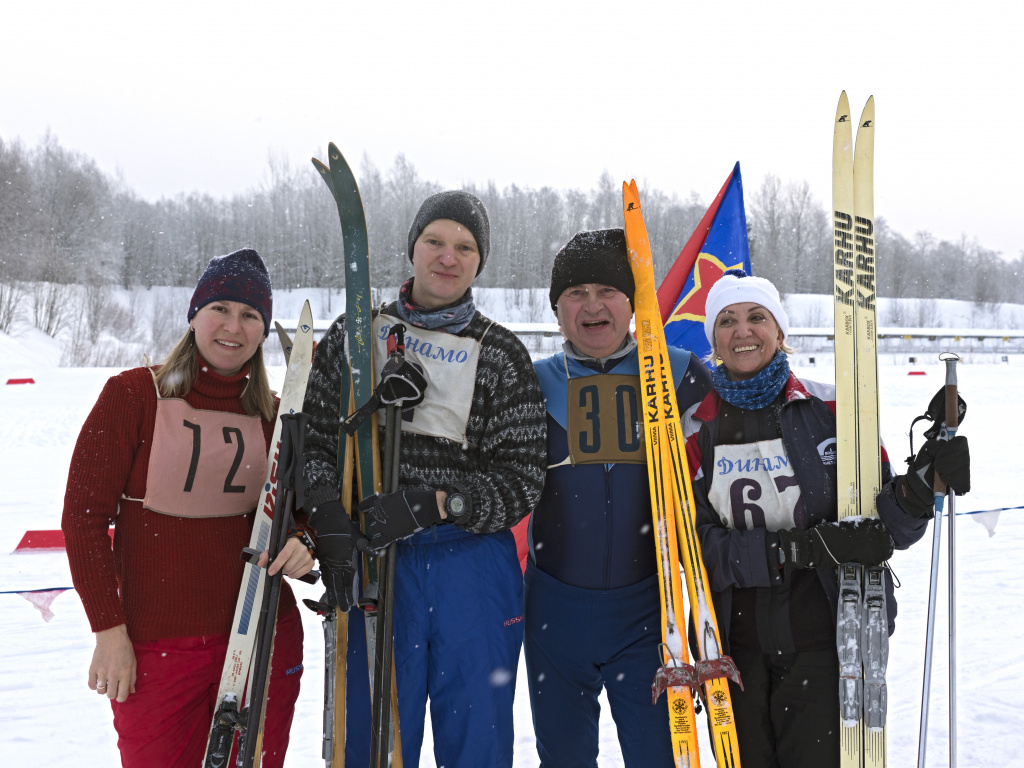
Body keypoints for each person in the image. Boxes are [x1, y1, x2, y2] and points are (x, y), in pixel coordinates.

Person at [685, 269, 972, 768]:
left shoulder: (835, 408)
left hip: (826, 645)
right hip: (735, 653)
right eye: (726, 321)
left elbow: (887, 530)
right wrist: (792, 550)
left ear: (780, 332)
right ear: (713, 338)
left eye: (757, 317)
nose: (742, 331)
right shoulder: (694, 430)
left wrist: (921, 485)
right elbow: (695, 547)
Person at [302, 190, 548, 768]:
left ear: (479, 262)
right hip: (375, 558)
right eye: (434, 241)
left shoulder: (499, 353)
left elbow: (521, 480)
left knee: (477, 740)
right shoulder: (356, 336)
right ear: (412, 248)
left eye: (464, 247)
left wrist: (437, 503)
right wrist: (324, 509)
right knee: (373, 736)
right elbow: (313, 439)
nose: (448, 256)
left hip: (471, 568)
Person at [62, 248, 314, 768]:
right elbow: (83, 518)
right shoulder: (134, 395)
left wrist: (304, 541)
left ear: (263, 331)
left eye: (250, 316)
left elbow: (304, 509)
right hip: (157, 650)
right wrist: (108, 631)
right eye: (221, 308)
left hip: (261, 636)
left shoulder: (277, 417)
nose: (233, 326)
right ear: (194, 314)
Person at [524, 229, 713, 768]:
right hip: (553, 614)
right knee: (563, 758)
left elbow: (751, 431)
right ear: (556, 309)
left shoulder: (680, 375)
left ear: (633, 303)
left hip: (649, 616)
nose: (592, 306)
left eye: (606, 290)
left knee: (657, 757)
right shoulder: (532, 383)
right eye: (575, 293)